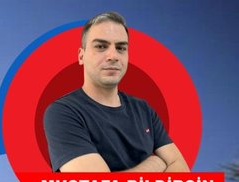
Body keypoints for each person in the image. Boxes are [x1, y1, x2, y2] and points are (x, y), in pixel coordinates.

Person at [43, 11, 188, 173]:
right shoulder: (63, 112)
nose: (113, 56)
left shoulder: (144, 109)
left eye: (121, 48)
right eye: (100, 46)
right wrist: (155, 164)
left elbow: (182, 175)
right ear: (81, 56)